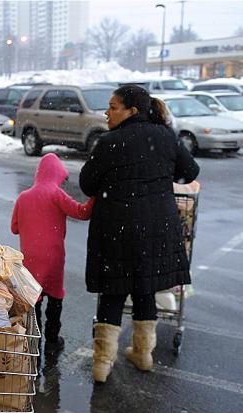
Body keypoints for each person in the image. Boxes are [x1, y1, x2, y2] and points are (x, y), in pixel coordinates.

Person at [79, 85, 199, 382]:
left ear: (132, 111)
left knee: (113, 292)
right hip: (157, 229)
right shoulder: (165, 136)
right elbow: (190, 171)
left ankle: (102, 364)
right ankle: (143, 355)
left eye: (113, 107)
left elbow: (87, 184)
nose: (107, 112)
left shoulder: (110, 142)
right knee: (145, 289)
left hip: (116, 229)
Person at [11, 153, 94, 355]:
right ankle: (52, 341)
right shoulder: (57, 195)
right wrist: (96, 195)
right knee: (55, 298)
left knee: (35, 300)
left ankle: (34, 342)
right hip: (54, 258)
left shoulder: (24, 197)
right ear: (56, 175)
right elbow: (83, 213)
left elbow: (14, 228)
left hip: (30, 259)